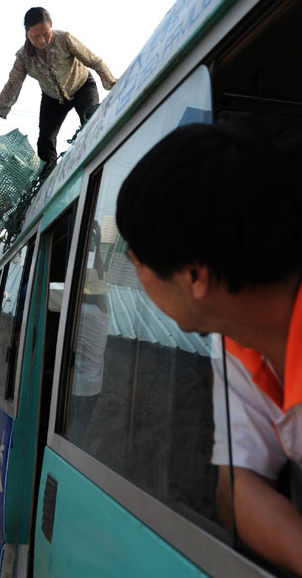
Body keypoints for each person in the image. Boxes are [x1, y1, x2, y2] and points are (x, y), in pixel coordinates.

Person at [115, 123, 302, 576]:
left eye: (137, 264)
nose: (136, 280)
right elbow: (236, 486)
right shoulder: (236, 340)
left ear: (194, 276)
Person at [0, 7, 117, 165]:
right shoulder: (23, 58)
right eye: (35, 37)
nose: (41, 41)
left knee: (90, 119)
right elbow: (12, 86)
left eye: (46, 34)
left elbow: (92, 59)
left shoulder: (64, 38)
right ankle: (50, 180)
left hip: (82, 86)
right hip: (52, 99)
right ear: (27, 34)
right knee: (45, 142)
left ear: (51, 28)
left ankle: (101, 158)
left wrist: (110, 81)